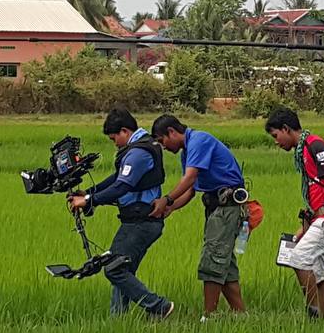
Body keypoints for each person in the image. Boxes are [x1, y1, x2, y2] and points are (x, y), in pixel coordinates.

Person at [68, 108, 175, 319]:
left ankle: (159, 306)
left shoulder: (138, 153)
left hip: (141, 222)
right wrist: (89, 193)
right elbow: (116, 179)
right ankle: (118, 320)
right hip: (138, 220)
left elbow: (121, 187)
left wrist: (89, 200)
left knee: (114, 269)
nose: (114, 143)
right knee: (122, 271)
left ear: (125, 131)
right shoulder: (141, 146)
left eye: (114, 138)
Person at [149, 115, 248, 319]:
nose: (164, 147)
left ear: (172, 132)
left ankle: (208, 317)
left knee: (212, 260)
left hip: (227, 207)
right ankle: (240, 315)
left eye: (162, 141)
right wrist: (171, 208)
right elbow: (191, 190)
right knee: (225, 262)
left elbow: (190, 177)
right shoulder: (187, 151)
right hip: (216, 207)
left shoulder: (199, 141)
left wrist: (166, 199)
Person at [265, 107, 324, 319]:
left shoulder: (313, 144)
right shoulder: (303, 150)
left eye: (276, 135)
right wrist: (307, 226)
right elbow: (316, 188)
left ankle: (313, 313)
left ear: (286, 128)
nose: (276, 141)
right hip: (322, 216)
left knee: (298, 258)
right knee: (322, 273)